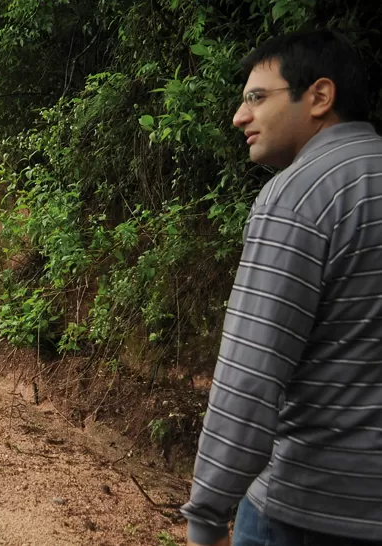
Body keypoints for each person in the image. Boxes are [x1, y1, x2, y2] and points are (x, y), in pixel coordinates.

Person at [181, 29, 382, 546]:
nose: (239, 116)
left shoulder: (301, 196)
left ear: (319, 95)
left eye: (256, 97)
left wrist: (207, 514)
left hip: (305, 512)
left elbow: (251, 371)